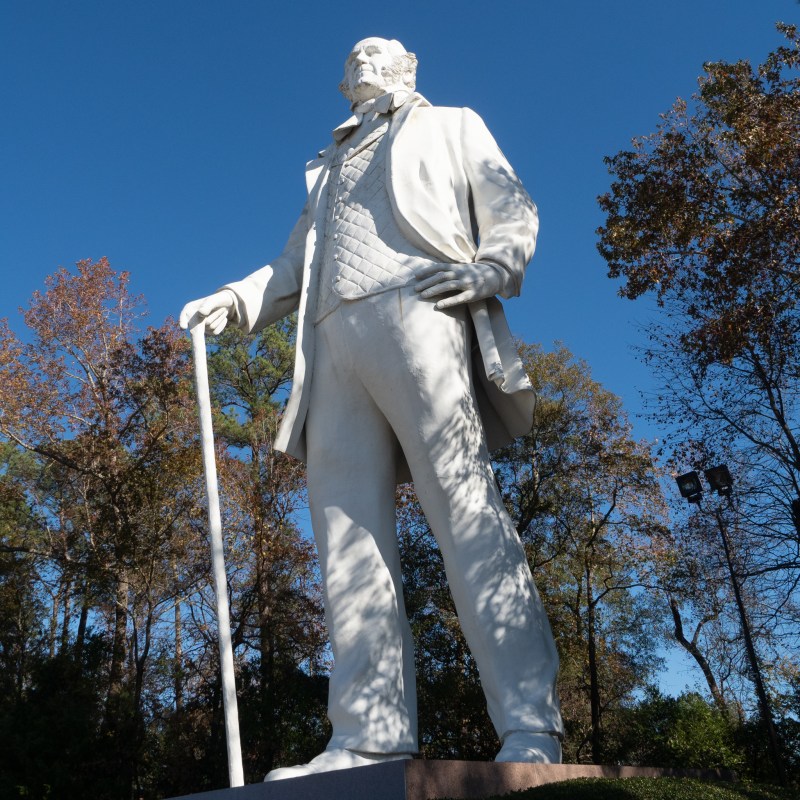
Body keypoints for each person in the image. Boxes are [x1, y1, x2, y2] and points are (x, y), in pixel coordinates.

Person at [180, 37, 563, 781]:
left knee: (463, 511)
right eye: (352, 55)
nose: (361, 59)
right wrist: (233, 300)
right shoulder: (324, 171)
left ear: (406, 68)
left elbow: (510, 205)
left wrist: (495, 265)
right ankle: (368, 733)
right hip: (331, 345)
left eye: (376, 51)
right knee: (347, 539)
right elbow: (296, 264)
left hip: (419, 308)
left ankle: (529, 724)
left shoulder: (451, 124)